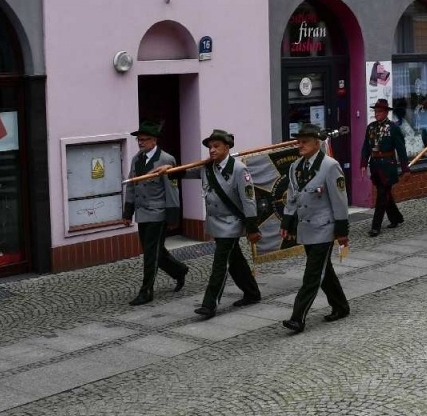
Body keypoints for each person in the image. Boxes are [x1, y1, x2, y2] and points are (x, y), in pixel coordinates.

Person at [279, 124, 350, 333]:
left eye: (304, 142)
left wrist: (342, 230)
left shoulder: (330, 166)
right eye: (298, 142)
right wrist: (287, 222)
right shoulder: (295, 167)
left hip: (324, 228)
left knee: (312, 274)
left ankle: (297, 317)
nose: (300, 146)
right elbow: (292, 197)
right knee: (323, 271)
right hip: (306, 228)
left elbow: (340, 200)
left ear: (316, 143)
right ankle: (341, 306)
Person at [193, 129, 262, 320]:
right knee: (235, 261)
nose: (212, 150)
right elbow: (185, 173)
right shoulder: (208, 168)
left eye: (216, 146)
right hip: (217, 222)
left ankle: (209, 304)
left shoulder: (239, 169)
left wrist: (252, 227)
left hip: (232, 223)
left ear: (227, 147)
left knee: (220, 263)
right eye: (210, 147)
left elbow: (249, 200)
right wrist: (167, 170)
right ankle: (252, 292)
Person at [123, 120, 188, 305]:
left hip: (158, 213)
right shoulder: (137, 159)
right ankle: (179, 270)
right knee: (154, 250)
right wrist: (128, 212)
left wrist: (173, 216)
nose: (140, 142)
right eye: (139, 140)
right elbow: (131, 185)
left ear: (154, 141)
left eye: (144, 140)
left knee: (151, 253)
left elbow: (172, 189)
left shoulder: (165, 160)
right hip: (142, 213)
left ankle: (146, 291)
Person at [360, 98, 406, 236]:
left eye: (379, 111)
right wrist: (363, 163)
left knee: (381, 195)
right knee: (385, 194)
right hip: (375, 165)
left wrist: (405, 169)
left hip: (388, 166)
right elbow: (366, 147)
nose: (376, 114)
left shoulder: (393, 128)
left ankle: (376, 226)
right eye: (375, 111)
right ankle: (396, 217)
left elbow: (401, 149)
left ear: (386, 112)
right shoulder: (371, 127)